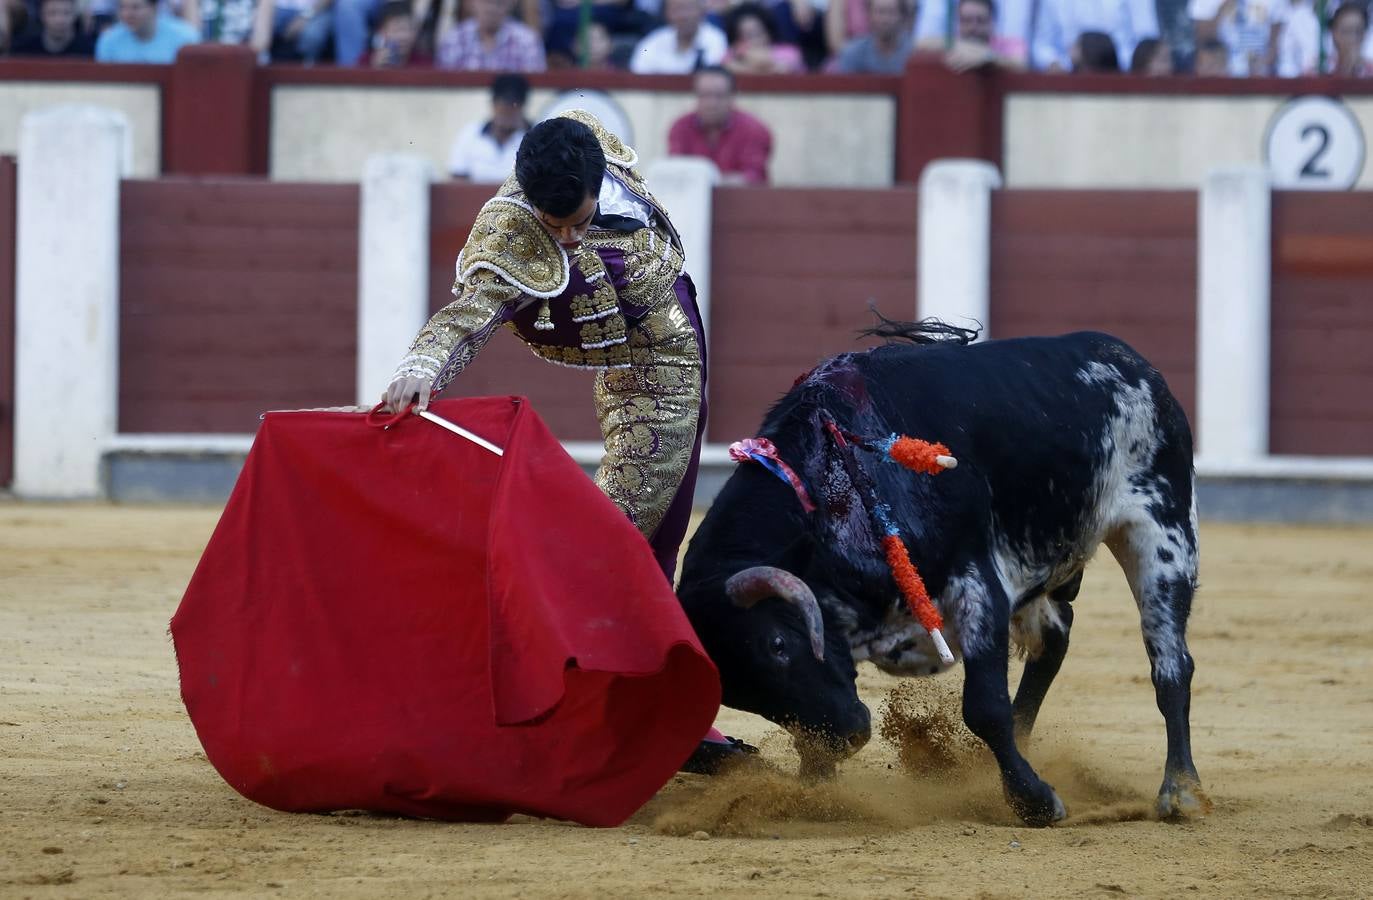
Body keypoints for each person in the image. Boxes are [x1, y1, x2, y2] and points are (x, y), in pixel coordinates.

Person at [381, 110, 751, 774]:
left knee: (644, 544)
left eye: (579, 221)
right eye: (557, 229)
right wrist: (417, 373)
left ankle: (657, 715)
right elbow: (466, 316)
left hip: (669, 361)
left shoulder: (590, 143)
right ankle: (628, 716)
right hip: (652, 383)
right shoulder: (510, 229)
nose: (571, 237)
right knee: (623, 548)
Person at [667, 66, 773, 184]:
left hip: (740, 200)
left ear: (732, 96)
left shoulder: (754, 130)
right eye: (705, 95)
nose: (711, 104)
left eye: (719, 96)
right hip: (691, 200)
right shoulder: (681, 128)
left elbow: (754, 178)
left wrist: (710, 182)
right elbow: (675, 173)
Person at [447, 73, 531, 182]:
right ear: (493, 104)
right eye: (503, 105)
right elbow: (457, 179)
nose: (507, 111)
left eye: (513, 106)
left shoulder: (534, 139)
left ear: (522, 107)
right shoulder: (471, 133)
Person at [1031, 0, 1157, 71]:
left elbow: (1147, 41)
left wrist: (1113, 66)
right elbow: (1042, 45)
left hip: (1123, 76)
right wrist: (1054, 62)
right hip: (1069, 78)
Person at [918, 0, 1028, 71]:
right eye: (966, 20)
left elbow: (1021, 65)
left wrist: (987, 57)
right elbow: (919, 44)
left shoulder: (1009, 44)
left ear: (992, 23)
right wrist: (963, 46)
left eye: (980, 20)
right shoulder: (951, 42)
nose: (973, 27)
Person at [435, 0, 545, 70]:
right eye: (486, 1)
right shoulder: (453, 40)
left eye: (498, 2)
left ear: (511, 3)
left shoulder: (527, 41)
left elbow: (535, 91)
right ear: (471, 2)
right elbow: (444, 89)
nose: (491, 8)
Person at [1188, 0, 1289, 75]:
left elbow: (1277, 45)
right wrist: (1222, 10)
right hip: (1221, 78)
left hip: (1262, 78)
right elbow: (1203, 42)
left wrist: (1262, 64)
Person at [628, 0, 727, 73]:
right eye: (677, 9)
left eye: (688, 9)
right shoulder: (654, 41)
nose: (683, 16)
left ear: (702, 12)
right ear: (667, 14)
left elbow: (712, 78)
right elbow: (638, 74)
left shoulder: (715, 38)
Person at [95, 0, 198, 62]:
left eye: (135, 8)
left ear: (154, 8)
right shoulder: (108, 41)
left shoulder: (185, 39)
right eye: (122, 7)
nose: (127, 14)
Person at [831, 0, 914, 73]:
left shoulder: (914, 53)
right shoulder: (852, 53)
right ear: (869, 15)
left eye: (891, 12)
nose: (885, 19)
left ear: (902, 16)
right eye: (880, 12)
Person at [722, 1, 804, 74]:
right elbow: (727, 67)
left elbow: (784, 68)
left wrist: (748, 62)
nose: (755, 39)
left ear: (768, 30)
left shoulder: (789, 51)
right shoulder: (732, 54)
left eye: (757, 32)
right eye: (748, 34)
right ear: (737, 37)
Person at [9, 0, 96, 55]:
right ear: (42, 15)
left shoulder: (89, 51)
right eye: (52, 13)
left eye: (66, 13)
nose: (59, 20)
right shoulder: (24, 50)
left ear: (75, 15)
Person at [366, 0, 429, 64]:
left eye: (409, 29)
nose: (403, 36)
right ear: (382, 32)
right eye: (397, 30)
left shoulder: (425, 63)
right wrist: (375, 69)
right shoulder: (367, 61)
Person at [1329, 1, 1370, 76]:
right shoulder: (1322, 69)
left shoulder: (1370, 71)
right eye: (1347, 31)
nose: (1353, 38)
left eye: (1359, 31)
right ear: (1335, 33)